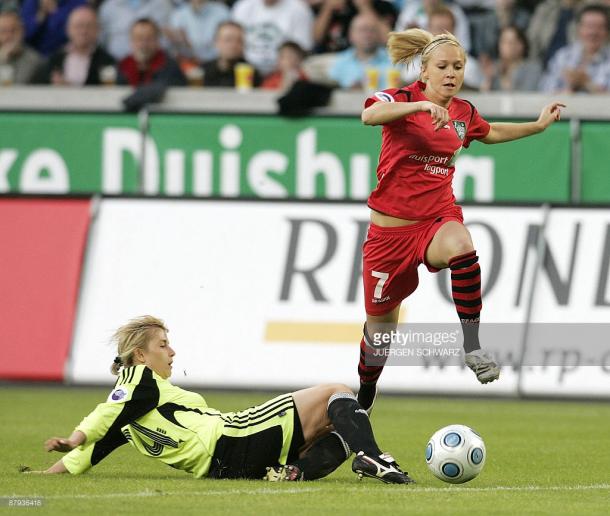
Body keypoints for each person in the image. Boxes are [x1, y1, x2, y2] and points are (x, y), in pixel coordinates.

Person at [355, 28, 565, 411]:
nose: (452, 73)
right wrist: (419, 107)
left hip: (435, 219)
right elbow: (370, 114)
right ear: (424, 72)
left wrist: (536, 127)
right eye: (443, 66)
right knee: (379, 337)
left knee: (462, 245)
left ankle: (473, 346)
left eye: (459, 66)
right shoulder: (402, 99)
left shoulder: (464, 112)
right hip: (388, 237)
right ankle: (365, 395)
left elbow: (492, 131)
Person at [27, 316, 413, 484]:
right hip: (235, 437)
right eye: (163, 345)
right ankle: (373, 457)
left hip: (226, 467)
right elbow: (104, 414)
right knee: (337, 393)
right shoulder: (138, 379)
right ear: (141, 355)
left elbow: (96, 446)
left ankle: (294, 472)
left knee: (342, 428)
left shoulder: (133, 418)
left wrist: (51, 474)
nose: (172, 352)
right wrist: (77, 436)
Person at [400, 6, 483, 90]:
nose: (442, 34)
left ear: (454, 32)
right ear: (429, 30)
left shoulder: (469, 66)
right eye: (438, 29)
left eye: (447, 29)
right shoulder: (413, 66)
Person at [31, 6, 115, 86]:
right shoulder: (54, 60)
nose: (83, 31)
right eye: (79, 26)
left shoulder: (107, 61)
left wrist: (72, 89)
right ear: (68, 29)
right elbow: (34, 87)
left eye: (89, 26)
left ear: (98, 30)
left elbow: (110, 91)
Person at [540, 3, 610, 93]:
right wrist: (567, 91)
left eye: (599, 27)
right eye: (588, 26)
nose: (593, 32)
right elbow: (544, 91)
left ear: (607, 32)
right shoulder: (563, 55)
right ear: (578, 29)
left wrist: (586, 83)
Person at [231, 0, 314, 75]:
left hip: (282, 74)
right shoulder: (243, 7)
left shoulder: (299, 9)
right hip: (244, 73)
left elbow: (302, 50)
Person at [328, 12, 395, 90]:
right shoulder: (340, 61)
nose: (367, 35)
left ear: (379, 35)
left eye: (372, 30)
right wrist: (350, 90)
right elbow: (333, 89)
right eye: (362, 30)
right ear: (350, 35)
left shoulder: (393, 59)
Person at [117, 18, 186, 87]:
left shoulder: (170, 67)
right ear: (131, 41)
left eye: (149, 38)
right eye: (139, 38)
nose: (144, 44)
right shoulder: (123, 66)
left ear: (157, 41)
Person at [99, 0, 173, 60]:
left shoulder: (163, 5)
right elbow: (101, 41)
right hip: (117, 66)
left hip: (156, 67)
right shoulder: (108, 7)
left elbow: (168, 40)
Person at [479, 25, 542, 92]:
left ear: (521, 45)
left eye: (510, 42)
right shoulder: (494, 67)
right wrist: (488, 78)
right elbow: (484, 96)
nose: (505, 46)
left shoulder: (532, 68)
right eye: (503, 41)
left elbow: (525, 95)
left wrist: (505, 77)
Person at [201, 21, 262, 87]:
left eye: (239, 41)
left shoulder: (252, 74)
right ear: (216, 42)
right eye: (228, 40)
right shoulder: (202, 73)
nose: (233, 45)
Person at [20, 0, 86, 56]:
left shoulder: (78, 3)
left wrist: (55, 14)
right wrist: (41, 14)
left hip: (65, 55)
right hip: (33, 55)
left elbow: (78, 34)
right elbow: (24, 35)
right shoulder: (32, 3)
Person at [0, 11, 43, 84]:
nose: (9, 36)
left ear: (22, 31)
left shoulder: (35, 61)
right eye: (3, 31)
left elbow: (18, 87)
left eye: (13, 30)